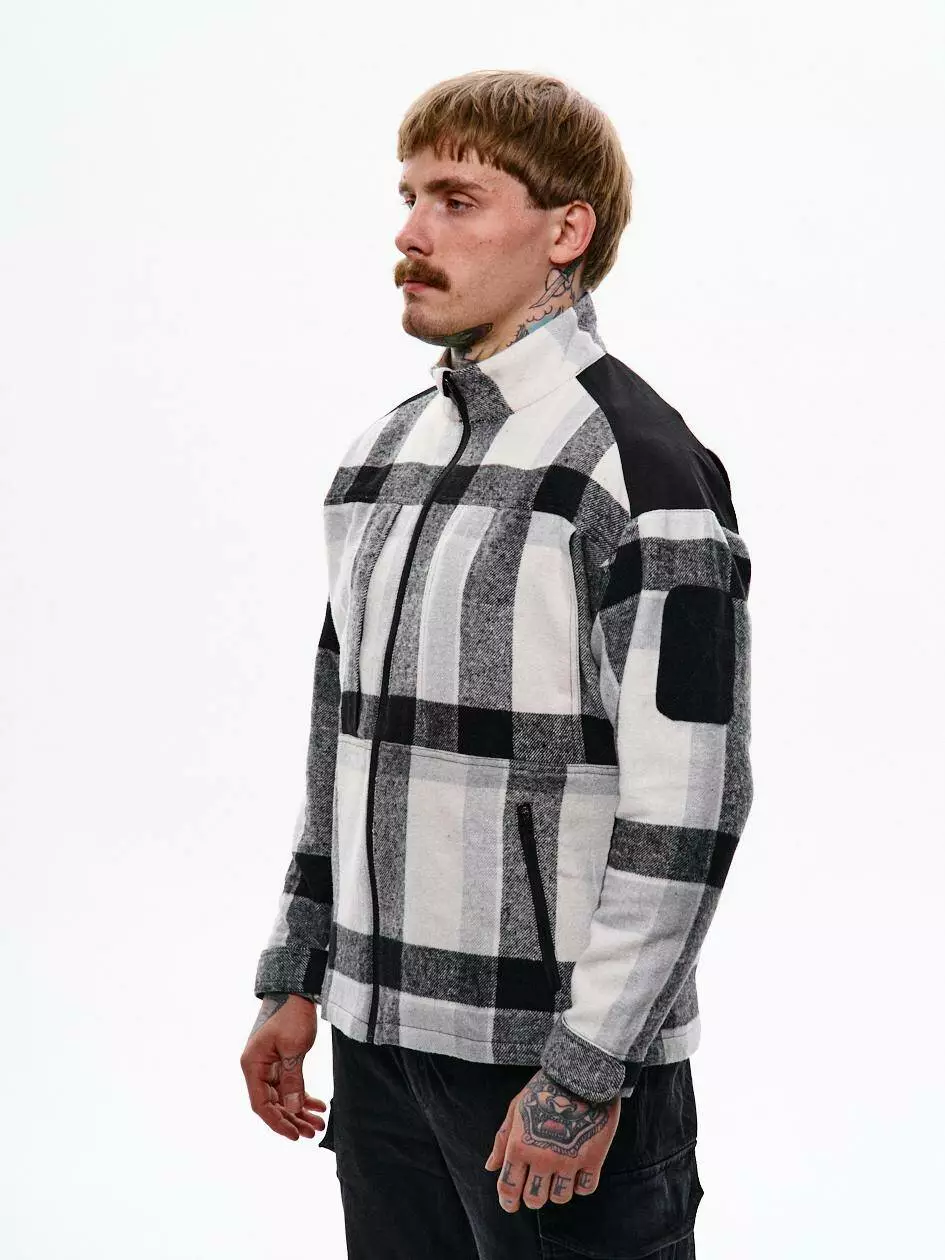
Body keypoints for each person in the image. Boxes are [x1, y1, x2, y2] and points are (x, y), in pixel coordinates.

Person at [240, 69, 753, 1259]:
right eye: (410, 198)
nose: (412, 235)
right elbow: (342, 740)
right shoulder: (383, 456)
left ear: (565, 231)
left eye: (458, 200)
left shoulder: (640, 468)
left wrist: (585, 1070)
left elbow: (692, 802)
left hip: (554, 1072)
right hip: (379, 1052)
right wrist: (297, 970)